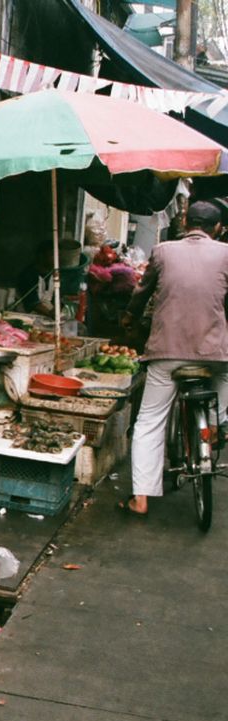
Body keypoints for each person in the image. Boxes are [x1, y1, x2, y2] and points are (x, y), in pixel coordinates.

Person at [119, 201, 228, 517]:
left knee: (150, 421)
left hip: (167, 351)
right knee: (225, 378)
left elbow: (142, 291)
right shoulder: (226, 254)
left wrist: (130, 317)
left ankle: (140, 500)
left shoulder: (163, 251)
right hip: (216, 353)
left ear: (184, 221)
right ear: (217, 228)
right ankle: (218, 421)